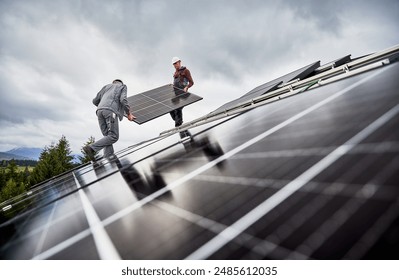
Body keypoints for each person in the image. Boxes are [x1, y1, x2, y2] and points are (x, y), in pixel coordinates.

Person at [83, 79, 135, 161]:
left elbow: (95, 101)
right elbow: (123, 99)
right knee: (114, 136)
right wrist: (128, 113)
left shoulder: (106, 87)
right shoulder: (122, 86)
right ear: (121, 83)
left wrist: (102, 105)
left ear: (113, 82)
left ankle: (108, 157)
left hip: (99, 111)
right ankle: (91, 148)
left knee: (107, 136)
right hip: (110, 111)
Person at [170, 57, 194, 127]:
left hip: (183, 94)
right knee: (170, 108)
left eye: (176, 63)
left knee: (178, 109)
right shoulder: (175, 73)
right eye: (173, 64)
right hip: (176, 94)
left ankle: (178, 125)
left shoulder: (186, 71)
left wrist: (187, 87)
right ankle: (179, 123)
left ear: (179, 62)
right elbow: (176, 83)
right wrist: (172, 85)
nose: (175, 65)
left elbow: (191, 82)